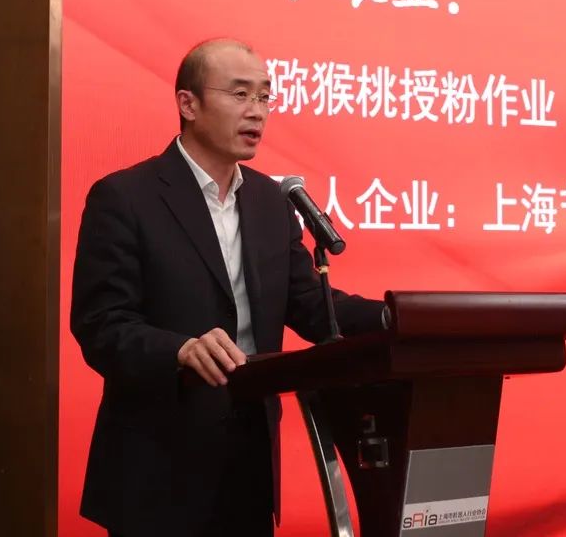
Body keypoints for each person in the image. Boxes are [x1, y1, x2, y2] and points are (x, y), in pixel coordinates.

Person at [70, 38, 386, 537]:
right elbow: (101, 325)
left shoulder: (270, 201)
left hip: (248, 462)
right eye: (240, 94)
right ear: (188, 104)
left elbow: (310, 305)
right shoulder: (125, 197)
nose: (256, 111)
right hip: (157, 469)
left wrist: (395, 317)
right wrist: (180, 349)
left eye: (264, 97)